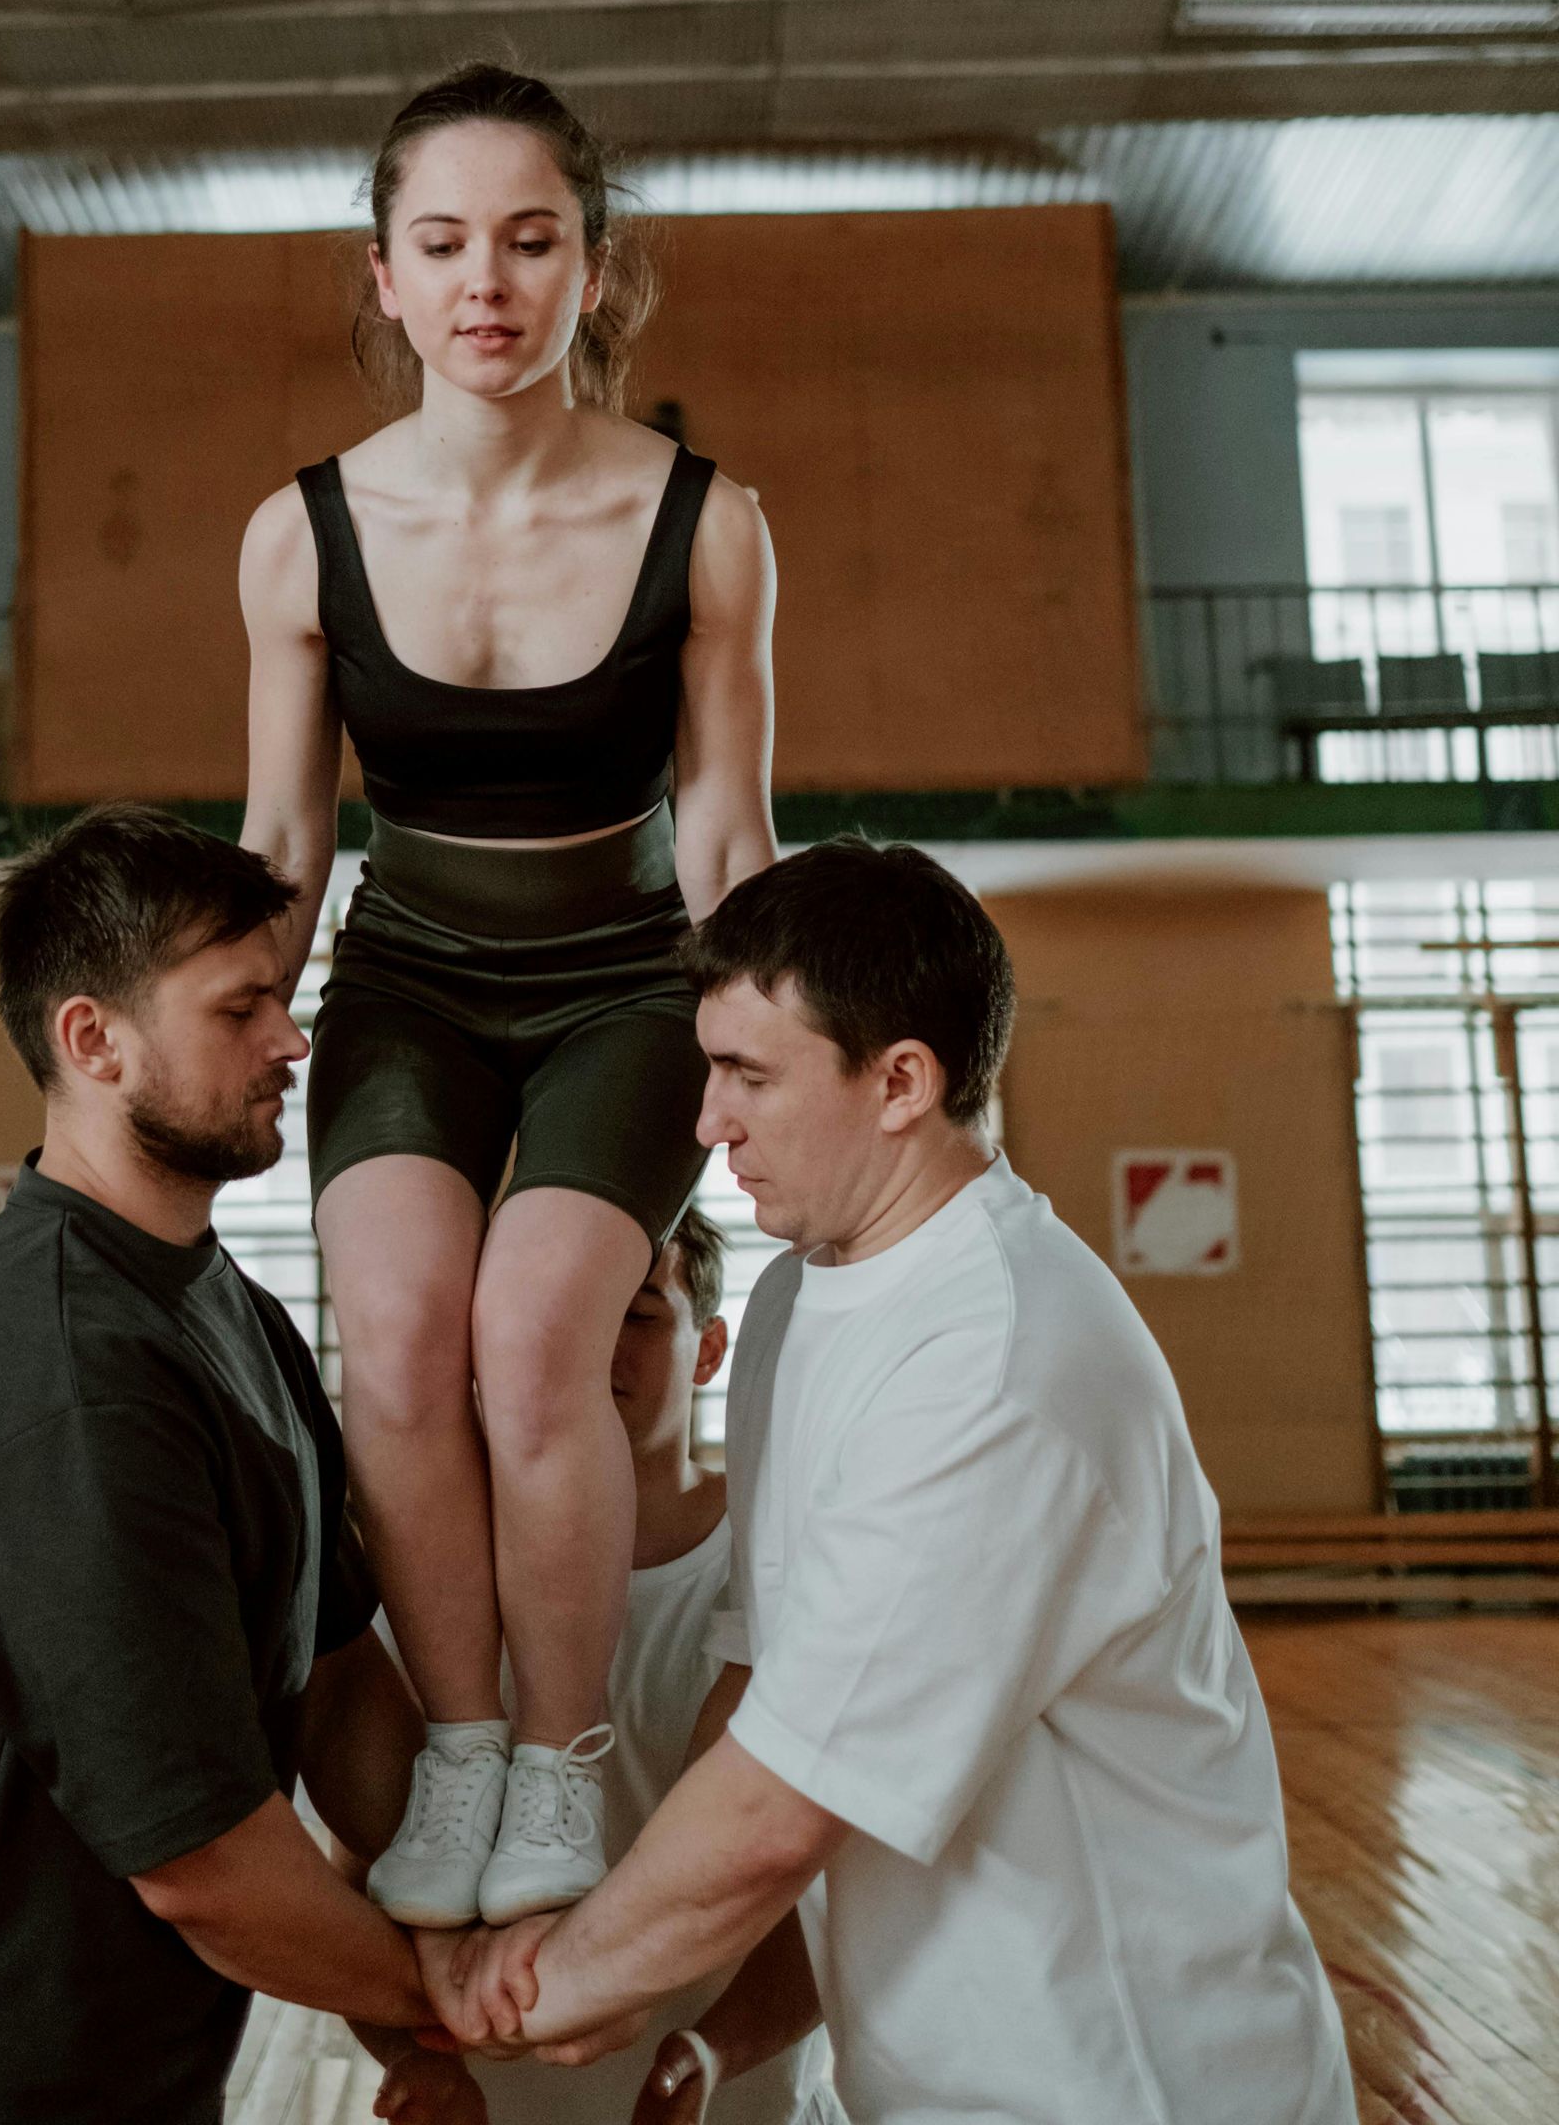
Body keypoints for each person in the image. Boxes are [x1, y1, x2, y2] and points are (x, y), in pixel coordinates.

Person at [430, 841, 1357, 2125]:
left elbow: (780, 1810)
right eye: (709, 1069)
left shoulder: (1001, 1359)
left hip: (1132, 2088)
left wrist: (537, 1982)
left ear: (901, 1083)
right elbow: (759, 1700)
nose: (708, 1122)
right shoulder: (797, 1299)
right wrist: (667, 2002)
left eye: (749, 1075)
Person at [240, 63, 776, 1927]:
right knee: (390, 1336)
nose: (489, 282)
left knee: (538, 1339)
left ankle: (560, 1764)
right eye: (445, 243)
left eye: (532, 240)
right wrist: (230, 1038)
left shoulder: (704, 522)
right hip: (409, 975)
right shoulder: (298, 531)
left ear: (592, 269)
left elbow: (723, 829)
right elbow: (284, 844)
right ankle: (460, 1741)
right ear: (382, 276)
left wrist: (772, 1044)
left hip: (627, 978)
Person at [0, 805, 444, 2125]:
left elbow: (339, 1684)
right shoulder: (67, 1370)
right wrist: (456, 1997)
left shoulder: (228, 1308)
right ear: (93, 1040)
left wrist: (466, 1902)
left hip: (125, 2076)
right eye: (242, 1010)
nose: (292, 1042)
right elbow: (207, 1865)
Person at [357, 1210, 842, 2125]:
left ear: (710, 1351)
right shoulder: (439, 1574)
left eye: (638, 1314)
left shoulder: (786, 1557)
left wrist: (711, 2051)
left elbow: (827, 1891)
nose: (587, 1342)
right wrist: (409, 2054)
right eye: (558, 1308)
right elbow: (371, 1865)